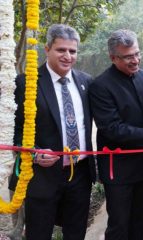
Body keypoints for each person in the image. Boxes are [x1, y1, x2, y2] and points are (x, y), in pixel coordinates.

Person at [89, 29, 143, 240]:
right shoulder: (100, 85)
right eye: (128, 56)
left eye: (137, 54)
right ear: (113, 57)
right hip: (117, 167)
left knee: (141, 219)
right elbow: (111, 128)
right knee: (119, 224)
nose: (135, 60)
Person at [9, 24, 96, 240]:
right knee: (39, 234)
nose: (68, 56)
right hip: (42, 177)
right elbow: (15, 130)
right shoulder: (26, 83)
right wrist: (35, 153)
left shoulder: (86, 82)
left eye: (72, 51)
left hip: (80, 175)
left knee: (76, 234)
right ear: (47, 49)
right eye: (61, 50)